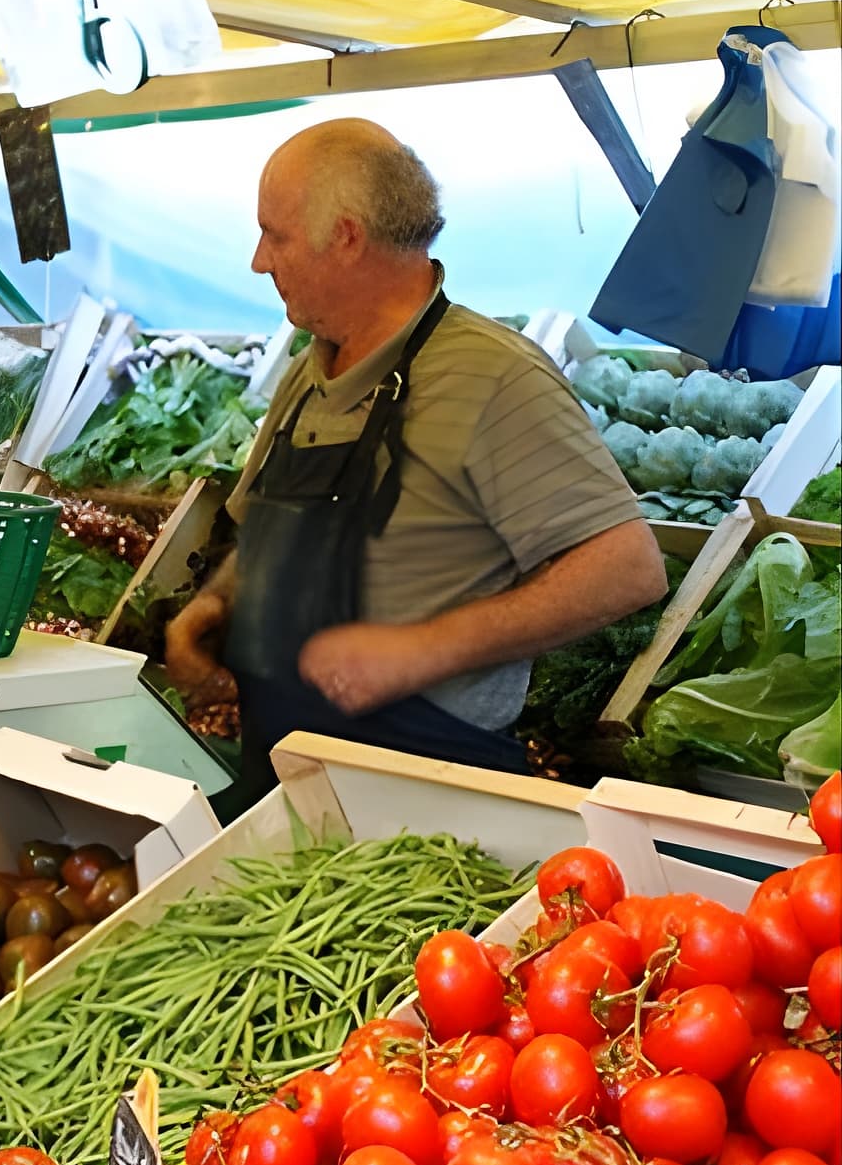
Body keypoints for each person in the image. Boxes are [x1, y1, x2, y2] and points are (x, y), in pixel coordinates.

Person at [166, 120, 667, 795]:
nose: (260, 260)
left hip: (427, 789)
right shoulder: (306, 374)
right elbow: (266, 532)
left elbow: (627, 569)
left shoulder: (494, 376)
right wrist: (216, 604)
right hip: (285, 769)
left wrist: (424, 648)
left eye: (274, 235)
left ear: (344, 236)